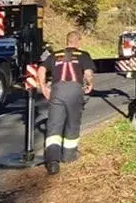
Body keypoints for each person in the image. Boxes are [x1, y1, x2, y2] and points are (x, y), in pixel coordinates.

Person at [37, 30, 94, 175]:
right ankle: (69, 156)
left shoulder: (55, 55)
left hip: (57, 91)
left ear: (66, 41)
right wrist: (89, 83)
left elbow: (41, 69)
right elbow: (88, 73)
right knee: (72, 123)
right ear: (78, 41)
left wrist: (43, 87)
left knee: (54, 126)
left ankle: (52, 162)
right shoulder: (83, 55)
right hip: (74, 91)